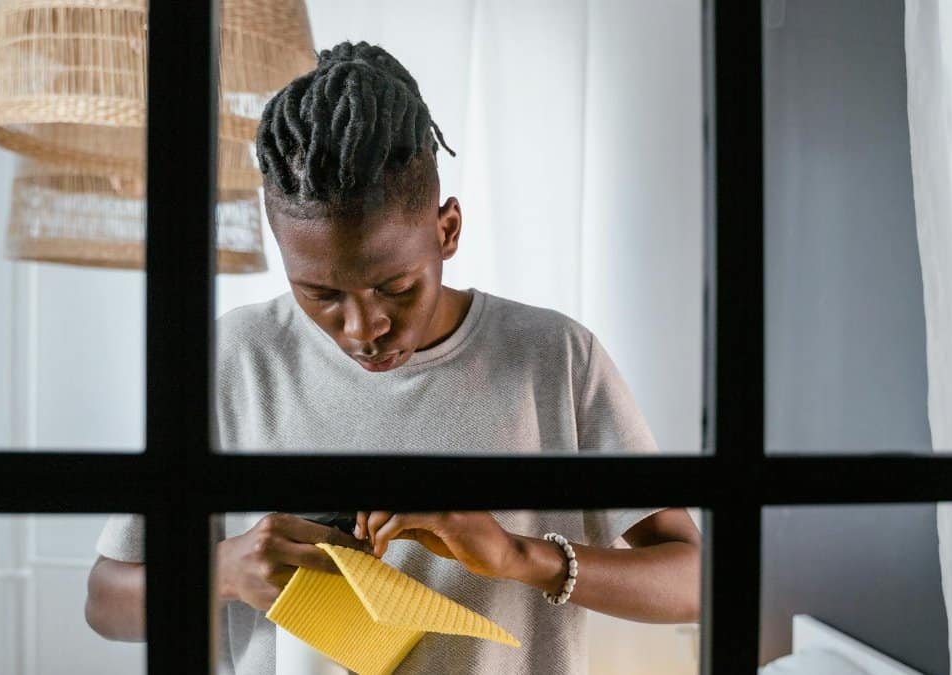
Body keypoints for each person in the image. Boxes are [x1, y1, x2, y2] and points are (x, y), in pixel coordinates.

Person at [85, 40, 701, 674]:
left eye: (395, 287)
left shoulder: (554, 357)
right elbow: (106, 602)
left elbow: (695, 582)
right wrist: (223, 571)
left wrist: (519, 555)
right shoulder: (233, 359)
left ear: (448, 230)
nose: (363, 328)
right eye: (319, 294)